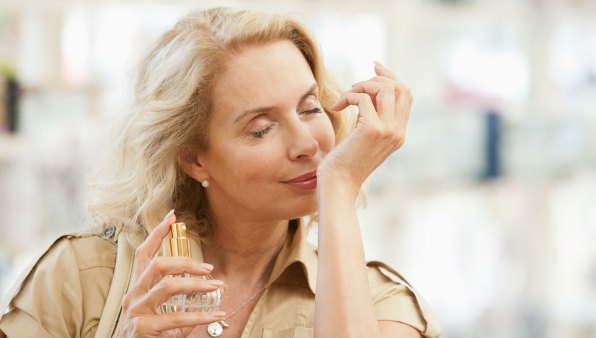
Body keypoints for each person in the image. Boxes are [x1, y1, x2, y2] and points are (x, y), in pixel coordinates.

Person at [0, 7, 440, 338]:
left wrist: (340, 186)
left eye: (310, 108)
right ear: (193, 158)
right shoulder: (80, 277)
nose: (308, 145)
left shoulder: (379, 301)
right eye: (261, 129)